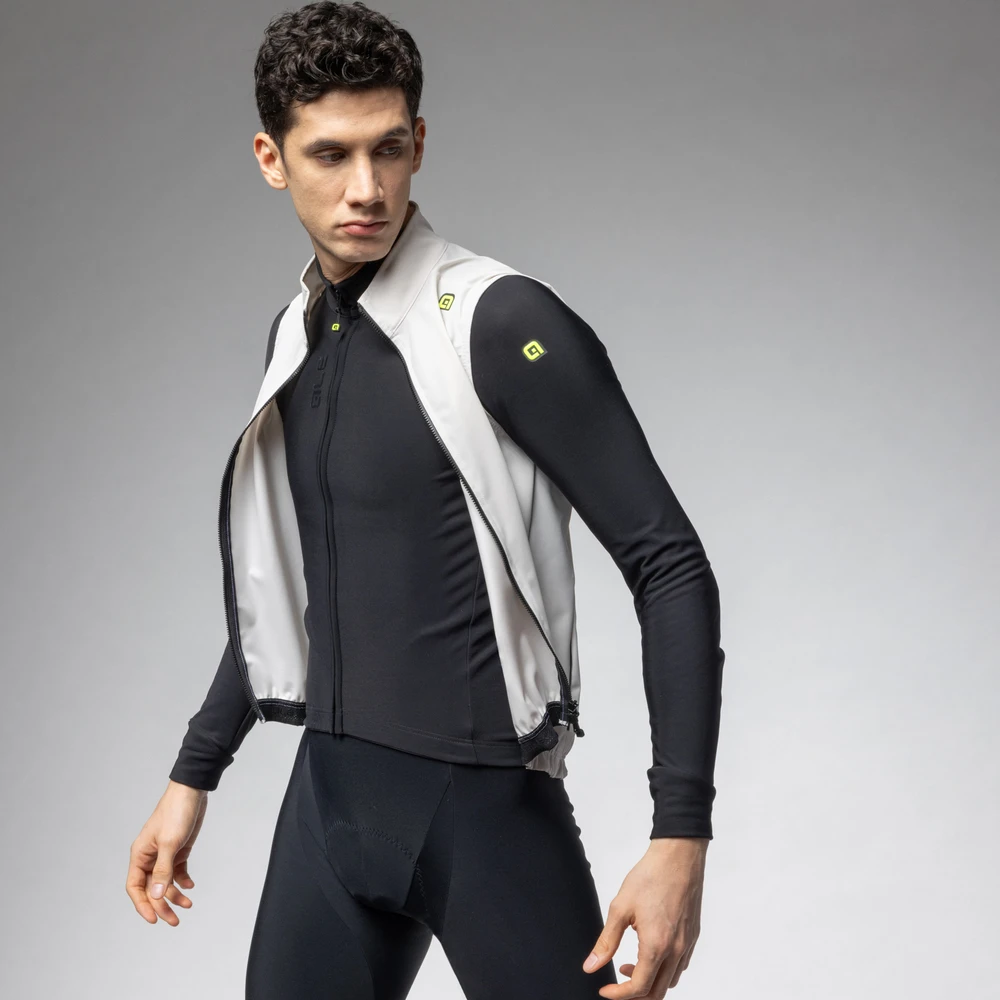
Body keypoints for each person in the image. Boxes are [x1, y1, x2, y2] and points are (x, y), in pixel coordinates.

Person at [126, 3, 726, 998]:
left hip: (483, 820)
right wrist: (193, 774)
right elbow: (304, 591)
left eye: (388, 149)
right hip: (328, 810)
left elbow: (669, 565)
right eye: (330, 155)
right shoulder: (295, 332)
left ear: (419, 143)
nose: (365, 188)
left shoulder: (500, 320)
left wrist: (680, 836)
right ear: (272, 159)